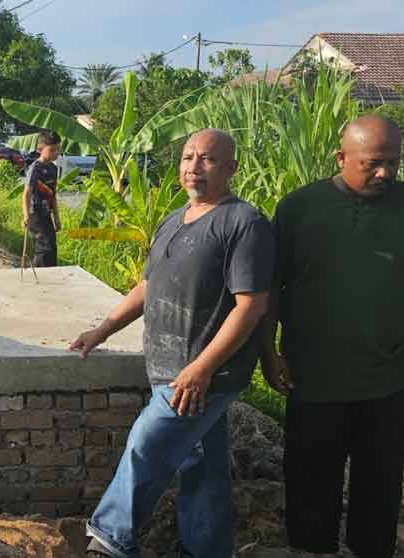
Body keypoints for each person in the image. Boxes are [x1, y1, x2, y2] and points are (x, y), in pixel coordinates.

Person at [70, 129, 274, 558]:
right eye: (187, 157)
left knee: (147, 443)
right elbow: (148, 287)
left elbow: (251, 306)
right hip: (165, 366)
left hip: (204, 374)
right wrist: (102, 330)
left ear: (231, 168)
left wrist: (202, 368)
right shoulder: (173, 219)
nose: (194, 167)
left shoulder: (243, 223)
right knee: (201, 465)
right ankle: (209, 549)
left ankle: (111, 539)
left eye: (208, 160)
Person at [262, 115, 404, 558]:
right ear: (341, 157)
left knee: (381, 482)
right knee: (311, 481)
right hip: (314, 375)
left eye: (394, 163)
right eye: (373, 163)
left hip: (392, 375)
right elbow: (271, 286)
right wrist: (268, 352)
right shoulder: (299, 209)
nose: (385, 173)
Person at [22, 130, 61, 267]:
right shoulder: (35, 168)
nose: (56, 153)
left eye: (58, 150)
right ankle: (42, 276)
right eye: (52, 150)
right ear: (40, 149)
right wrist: (26, 215)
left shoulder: (53, 169)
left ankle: (50, 273)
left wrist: (56, 217)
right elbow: (26, 193)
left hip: (46, 214)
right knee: (44, 247)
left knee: (52, 246)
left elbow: (52, 195)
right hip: (35, 214)